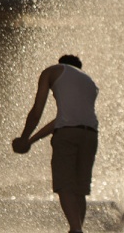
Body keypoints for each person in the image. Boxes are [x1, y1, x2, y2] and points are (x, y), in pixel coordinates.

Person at [12, 55, 99, 233]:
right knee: (79, 190)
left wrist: (23, 138)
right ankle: (77, 228)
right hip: (90, 135)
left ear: (62, 64)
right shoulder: (89, 83)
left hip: (67, 136)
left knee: (64, 184)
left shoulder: (52, 71)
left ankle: (76, 229)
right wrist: (31, 141)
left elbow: (37, 111)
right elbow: (60, 120)